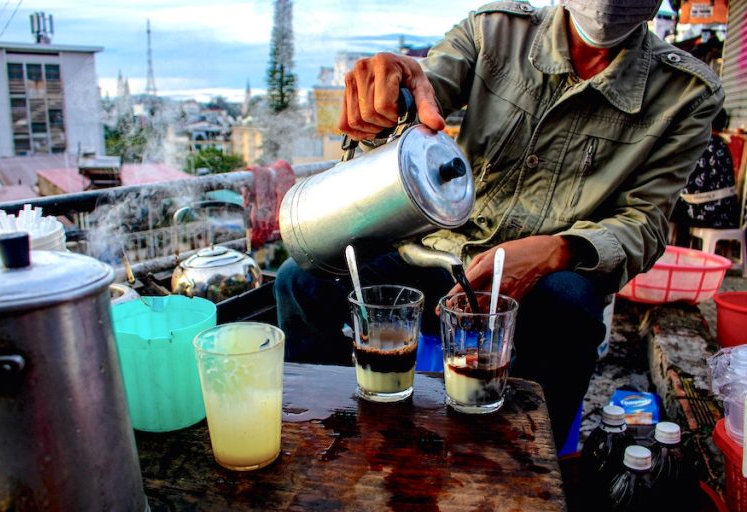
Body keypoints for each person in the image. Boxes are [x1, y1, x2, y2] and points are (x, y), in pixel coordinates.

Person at [274, 0, 724, 449]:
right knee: (303, 279)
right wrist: (393, 95)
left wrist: (556, 250)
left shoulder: (686, 92)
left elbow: (644, 223)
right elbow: (425, 91)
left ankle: (526, 465)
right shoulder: (494, 31)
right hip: (443, 253)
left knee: (570, 310)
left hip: (542, 282)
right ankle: (328, 436)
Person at [671, 107, 740, 245]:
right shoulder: (722, 145)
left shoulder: (701, 146)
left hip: (707, 215)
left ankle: (680, 250)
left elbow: (687, 186)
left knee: (672, 208)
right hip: (727, 213)